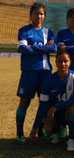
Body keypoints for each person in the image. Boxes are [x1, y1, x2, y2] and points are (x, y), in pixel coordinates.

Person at [16, 3, 57, 143]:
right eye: (36, 13)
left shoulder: (48, 32)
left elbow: (53, 48)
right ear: (31, 14)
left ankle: (42, 130)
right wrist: (42, 47)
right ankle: (19, 133)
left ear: (44, 16)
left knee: (45, 103)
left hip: (45, 72)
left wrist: (32, 46)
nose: (39, 16)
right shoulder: (24, 31)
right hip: (29, 72)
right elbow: (23, 49)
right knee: (24, 103)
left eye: (41, 14)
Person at [30, 50, 74, 151]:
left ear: (70, 62)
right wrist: (35, 126)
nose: (62, 64)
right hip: (55, 115)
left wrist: (57, 106)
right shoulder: (48, 80)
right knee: (45, 131)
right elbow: (42, 105)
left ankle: (71, 139)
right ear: (55, 62)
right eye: (60, 61)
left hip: (68, 113)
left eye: (65, 61)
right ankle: (56, 132)